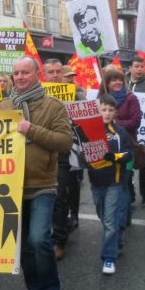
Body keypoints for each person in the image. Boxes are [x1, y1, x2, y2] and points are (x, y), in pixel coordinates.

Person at [0, 56, 72, 290]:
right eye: (15, 73)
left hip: (42, 184)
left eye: (25, 73)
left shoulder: (54, 107)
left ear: (36, 74)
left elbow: (64, 142)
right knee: (25, 248)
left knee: (39, 239)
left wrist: (31, 130)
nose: (19, 77)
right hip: (12, 186)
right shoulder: (3, 105)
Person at [88, 94, 132, 275]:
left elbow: (128, 154)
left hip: (115, 182)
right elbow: (81, 151)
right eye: (103, 109)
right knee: (103, 216)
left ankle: (108, 258)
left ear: (115, 112)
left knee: (109, 221)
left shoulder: (119, 132)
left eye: (110, 110)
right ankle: (116, 239)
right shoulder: (90, 130)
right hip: (95, 181)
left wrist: (113, 157)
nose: (106, 113)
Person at [99, 68, 141, 229]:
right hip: (105, 149)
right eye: (113, 80)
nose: (117, 83)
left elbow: (135, 121)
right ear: (107, 83)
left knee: (122, 184)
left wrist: (115, 124)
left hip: (126, 146)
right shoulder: (101, 98)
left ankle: (120, 224)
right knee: (108, 187)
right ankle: (121, 217)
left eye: (120, 80)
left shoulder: (131, 98)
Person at [44, 58, 74, 260]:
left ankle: (59, 241)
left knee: (59, 197)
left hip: (62, 153)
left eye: (57, 71)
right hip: (39, 153)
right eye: (51, 72)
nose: (55, 75)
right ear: (44, 75)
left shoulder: (75, 94)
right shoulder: (37, 95)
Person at [127, 56, 145, 206]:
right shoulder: (124, 82)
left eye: (141, 66)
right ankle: (129, 194)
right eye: (136, 66)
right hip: (129, 129)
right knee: (128, 163)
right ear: (130, 67)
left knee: (144, 163)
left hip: (144, 128)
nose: (139, 69)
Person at [60, 65, 85, 231]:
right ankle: (63, 214)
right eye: (67, 76)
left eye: (72, 76)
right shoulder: (47, 92)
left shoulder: (79, 93)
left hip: (74, 142)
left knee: (73, 181)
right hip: (57, 142)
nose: (71, 79)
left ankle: (74, 214)